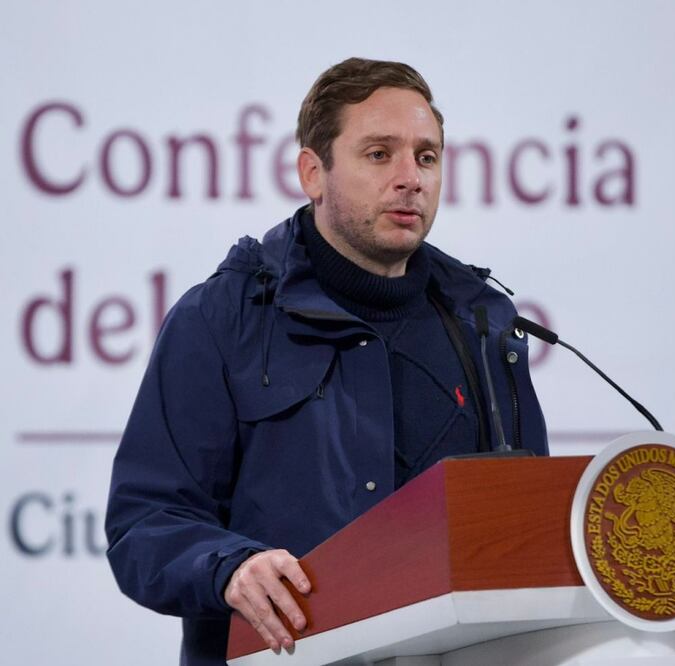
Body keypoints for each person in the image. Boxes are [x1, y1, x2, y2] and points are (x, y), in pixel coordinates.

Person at [105, 57, 548, 666]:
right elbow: (144, 524)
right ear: (313, 173)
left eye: (426, 156)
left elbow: (528, 525)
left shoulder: (483, 322)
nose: (410, 178)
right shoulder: (222, 319)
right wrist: (230, 567)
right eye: (378, 154)